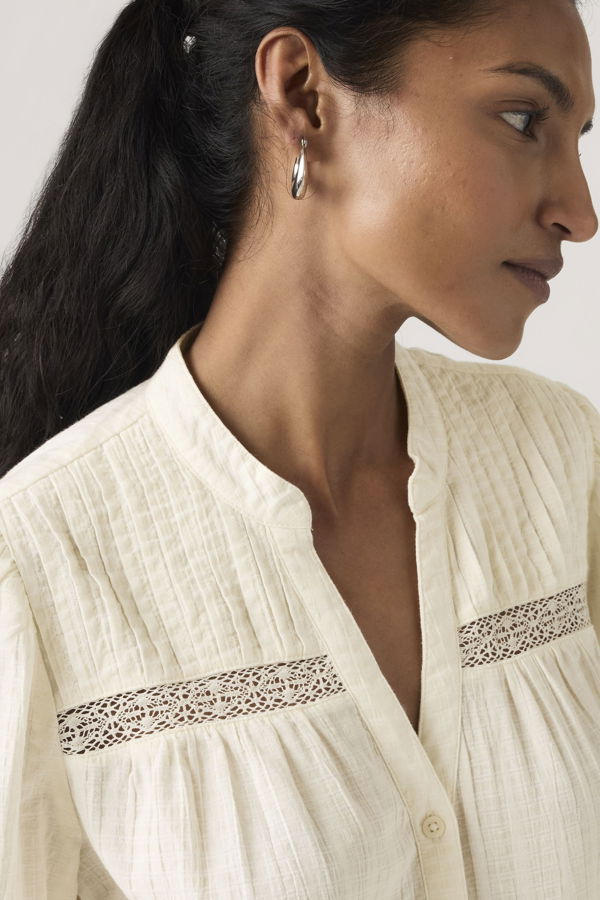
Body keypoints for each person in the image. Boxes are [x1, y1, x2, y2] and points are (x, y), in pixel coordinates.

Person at [0, 0, 599, 896]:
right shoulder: (41, 560)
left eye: (579, 140)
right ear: (303, 95)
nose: (580, 212)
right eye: (523, 120)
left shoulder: (562, 461)